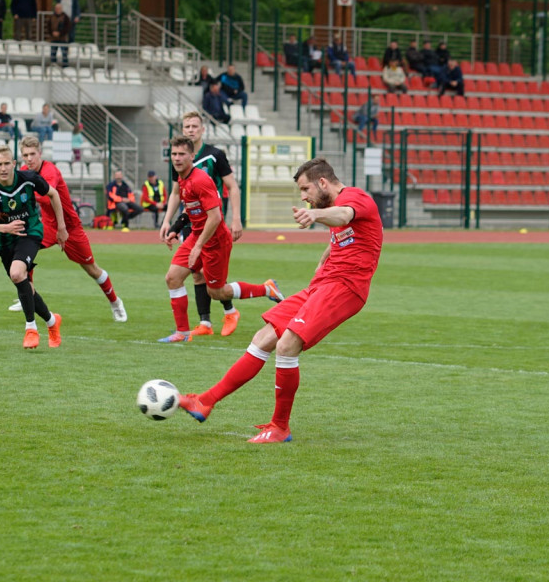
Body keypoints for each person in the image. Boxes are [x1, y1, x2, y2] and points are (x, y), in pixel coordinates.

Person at [176, 158, 383, 444]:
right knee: (263, 337)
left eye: (305, 189)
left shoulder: (354, 198)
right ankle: (205, 401)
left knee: (287, 344)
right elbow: (347, 231)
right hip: (322, 285)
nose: (304, 198)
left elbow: (345, 215)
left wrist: (315, 217)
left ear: (323, 182)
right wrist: (325, 257)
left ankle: (280, 427)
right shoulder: (331, 206)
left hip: (345, 288)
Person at [157, 136, 282, 344]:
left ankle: (267, 288)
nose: (177, 159)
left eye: (181, 154)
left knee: (216, 292)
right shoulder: (183, 178)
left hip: (215, 240)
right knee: (172, 277)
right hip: (198, 235)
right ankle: (182, 333)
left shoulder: (200, 180)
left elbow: (215, 217)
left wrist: (198, 246)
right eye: (174, 154)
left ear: (192, 156)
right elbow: (191, 208)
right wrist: (175, 228)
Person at [14, 135, 128, 322]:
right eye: (25, 155)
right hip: (48, 225)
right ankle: (27, 294)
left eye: (32, 154)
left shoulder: (50, 171)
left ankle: (115, 302)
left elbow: (46, 196)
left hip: (70, 227)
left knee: (91, 269)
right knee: (23, 248)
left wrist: (62, 229)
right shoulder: (25, 171)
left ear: (40, 153)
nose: (29, 159)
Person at [0, 144, 66, 349]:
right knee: (25, 285)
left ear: (15, 164)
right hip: (3, 240)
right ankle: (52, 321)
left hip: (29, 232)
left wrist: (61, 227)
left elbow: (54, 194)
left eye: (7, 163)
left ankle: (31, 329)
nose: (4, 168)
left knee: (17, 273)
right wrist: (4, 228)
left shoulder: (29, 179)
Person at [174, 111, 245, 336]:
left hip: (213, 222)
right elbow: (178, 193)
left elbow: (232, 187)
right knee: (196, 274)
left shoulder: (215, 155)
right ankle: (205, 322)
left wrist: (235, 217)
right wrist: (170, 224)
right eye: (187, 127)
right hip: (192, 221)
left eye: (195, 126)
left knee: (213, 283)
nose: (191, 130)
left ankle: (229, 310)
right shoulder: (179, 157)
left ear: (202, 129)